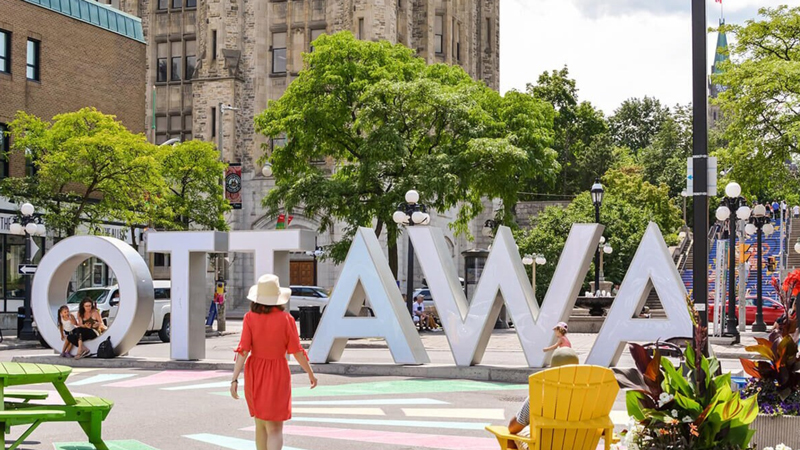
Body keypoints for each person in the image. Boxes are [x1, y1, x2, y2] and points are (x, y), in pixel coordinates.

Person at [230, 274, 318, 450]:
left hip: (255, 372)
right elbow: (297, 351)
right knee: (275, 428)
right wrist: (310, 373)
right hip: (278, 372)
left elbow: (243, 350)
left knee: (260, 424)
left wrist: (234, 379)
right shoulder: (287, 320)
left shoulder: (249, 318)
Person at [507, 348, 580, 450]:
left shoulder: (540, 394)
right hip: (580, 444)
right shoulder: (593, 395)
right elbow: (602, 429)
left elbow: (514, 427)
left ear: (552, 370)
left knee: (511, 436)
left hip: (544, 446)